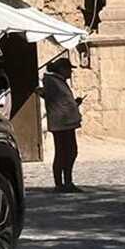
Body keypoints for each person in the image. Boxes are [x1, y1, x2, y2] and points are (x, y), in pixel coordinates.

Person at [41, 57, 83, 193]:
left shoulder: (59, 82)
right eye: (69, 69)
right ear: (62, 69)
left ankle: (67, 181)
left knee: (69, 152)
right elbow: (53, 99)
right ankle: (61, 183)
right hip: (61, 123)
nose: (70, 72)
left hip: (66, 122)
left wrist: (74, 104)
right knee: (63, 153)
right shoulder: (53, 82)